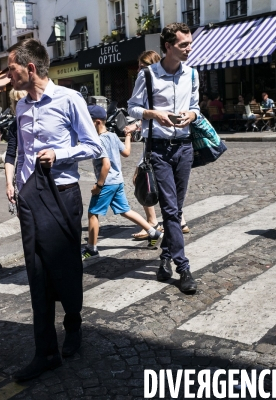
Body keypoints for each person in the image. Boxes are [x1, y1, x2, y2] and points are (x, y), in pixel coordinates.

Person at [6, 39, 102, 381]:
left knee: (65, 265)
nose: (8, 75)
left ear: (30, 68)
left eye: (12, 69)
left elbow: (93, 144)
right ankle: (45, 351)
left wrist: (59, 155)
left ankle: (73, 323)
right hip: (31, 199)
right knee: (36, 273)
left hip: (62, 194)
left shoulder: (69, 99)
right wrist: (15, 186)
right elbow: (18, 152)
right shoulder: (19, 107)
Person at [128, 22, 200, 293]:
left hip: (184, 148)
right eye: (183, 45)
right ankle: (183, 268)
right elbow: (132, 108)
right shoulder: (148, 75)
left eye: (190, 43)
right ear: (168, 46)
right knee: (170, 210)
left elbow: (195, 108)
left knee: (176, 210)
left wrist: (191, 116)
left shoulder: (192, 74)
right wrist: (154, 113)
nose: (189, 48)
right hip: (158, 148)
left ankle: (165, 257)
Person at [82, 105, 163, 260]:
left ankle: (91, 249)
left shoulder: (98, 141)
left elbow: (106, 165)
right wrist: (128, 135)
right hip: (117, 181)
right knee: (125, 210)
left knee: (93, 213)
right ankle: (153, 232)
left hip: (107, 183)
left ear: (97, 122)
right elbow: (126, 153)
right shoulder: (112, 136)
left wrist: (98, 185)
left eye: (88, 121)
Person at [124, 50, 189, 240]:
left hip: (156, 142)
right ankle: (179, 219)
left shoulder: (154, 81)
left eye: (143, 66)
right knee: (152, 181)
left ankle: (153, 222)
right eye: (139, 66)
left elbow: (157, 112)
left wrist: (141, 121)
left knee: (142, 179)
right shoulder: (145, 82)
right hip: (153, 138)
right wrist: (137, 124)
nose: (139, 70)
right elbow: (148, 112)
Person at [3, 89, 28, 215]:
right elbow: (10, 155)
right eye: (16, 101)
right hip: (22, 176)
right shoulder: (14, 125)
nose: (19, 104)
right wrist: (9, 183)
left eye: (23, 99)